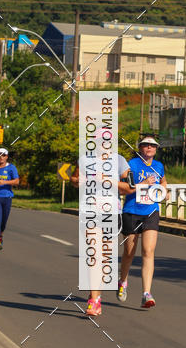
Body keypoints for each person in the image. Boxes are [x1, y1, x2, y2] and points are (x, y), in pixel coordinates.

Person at [71, 153, 132, 316]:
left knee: (104, 259)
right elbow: (74, 179)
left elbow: (129, 188)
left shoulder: (120, 161)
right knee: (95, 256)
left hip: (111, 213)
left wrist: (105, 179)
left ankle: (95, 293)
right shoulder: (84, 159)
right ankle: (94, 301)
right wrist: (78, 181)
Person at [118, 134, 167, 309]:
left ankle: (146, 293)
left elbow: (164, 183)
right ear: (140, 148)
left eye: (152, 146)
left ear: (156, 149)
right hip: (132, 211)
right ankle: (122, 281)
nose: (149, 148)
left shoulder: (159, 166)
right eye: (145, 145)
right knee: (129, 252)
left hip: (151, 211)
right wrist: (144, 183)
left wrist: (164, 191)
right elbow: (125, 189)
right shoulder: (131, 165)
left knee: (148, 251)